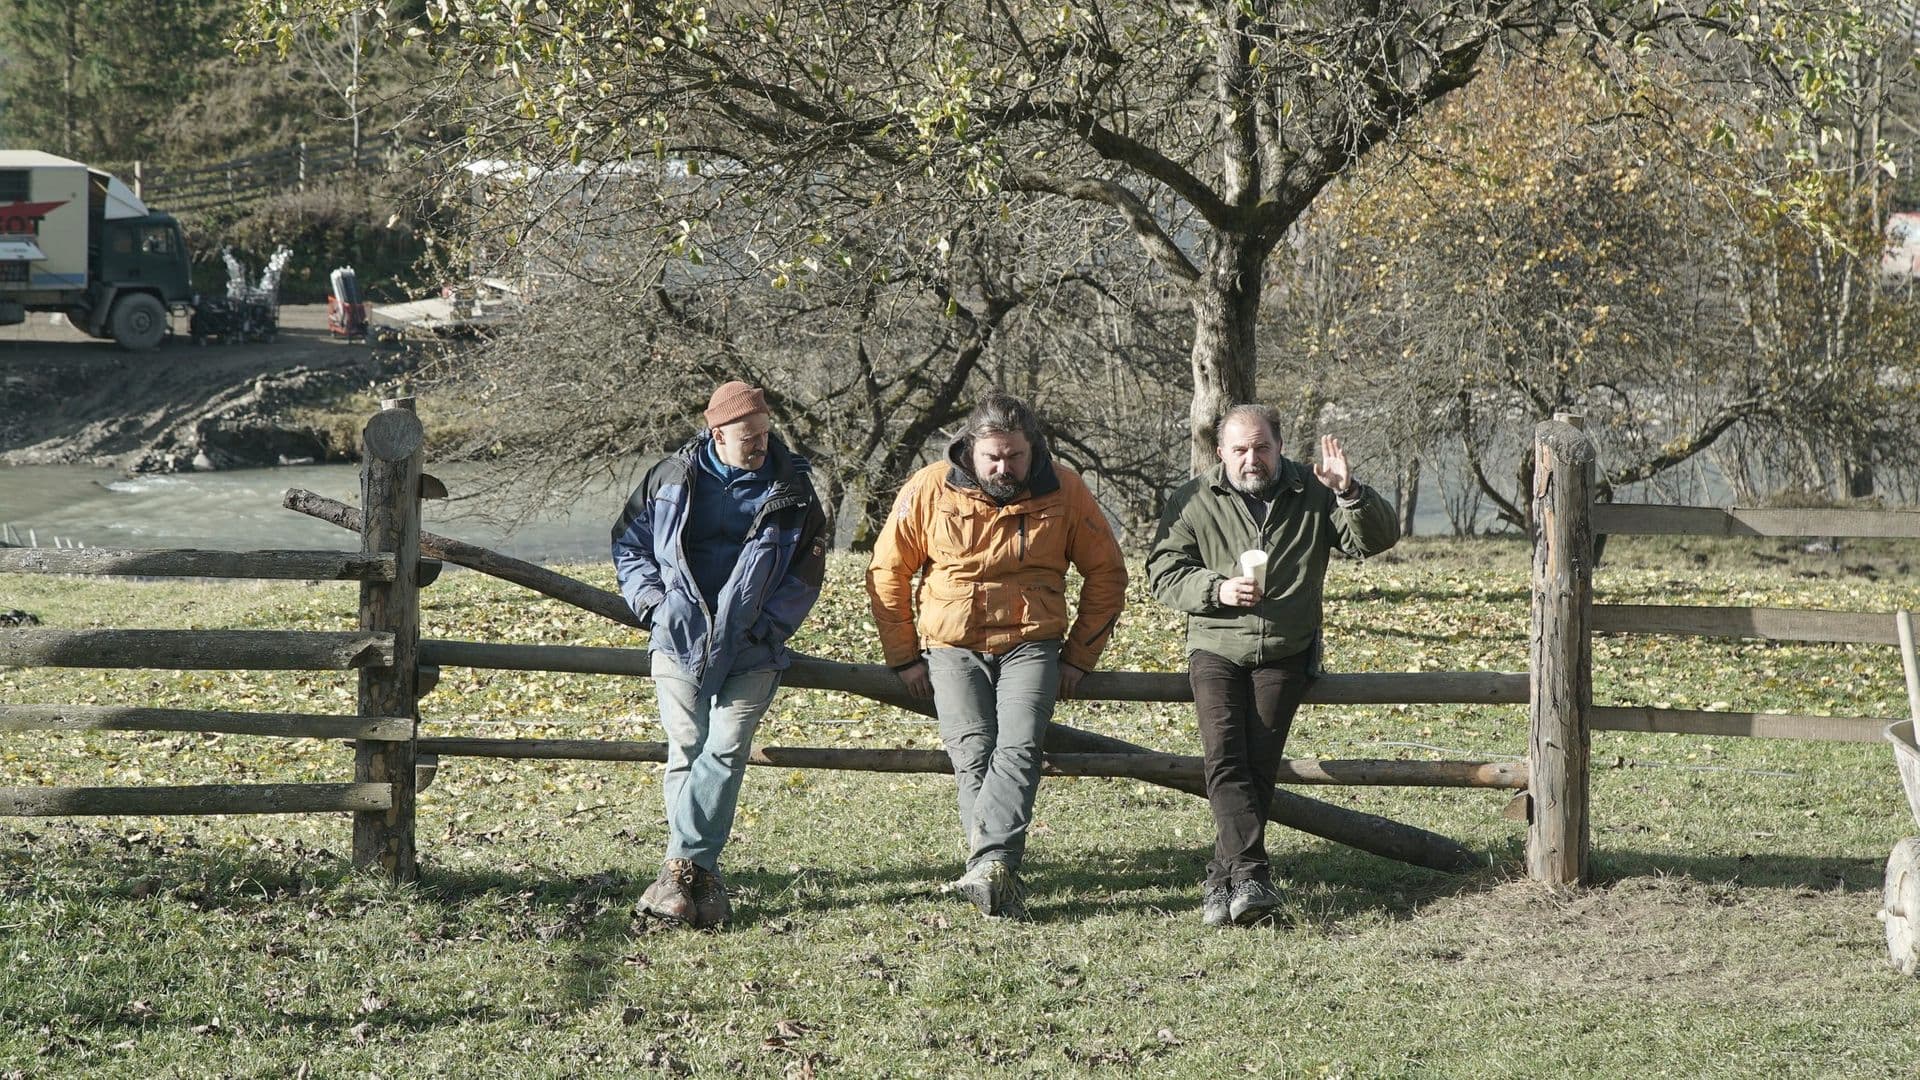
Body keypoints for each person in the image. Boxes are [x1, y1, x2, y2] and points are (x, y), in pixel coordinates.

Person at [867, 391, 1128, 920]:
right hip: (951, 642)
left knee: (1020, 746)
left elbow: (1107, 573)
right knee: (972, 750)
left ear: (1033, 450)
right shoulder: (928, 488)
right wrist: (903, 656)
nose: (1004, 467)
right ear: (970, 450)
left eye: (1014, 456)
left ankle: (987, 866)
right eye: (993, 458)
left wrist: (1079, 657)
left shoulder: (1066, 489)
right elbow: (887, 570)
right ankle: (994, 871)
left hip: (1033, 640)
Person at [1146, 404, 1398, 927]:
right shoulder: (1194, 498)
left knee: (1256, 765)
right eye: (1239, 449)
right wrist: (1216, 589)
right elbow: (1163, 574)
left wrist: (1349, 493)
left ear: (1280, 446)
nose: (1251, 458)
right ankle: (1252, 874)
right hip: (1215, 645)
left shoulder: (1313, 489)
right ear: (1220, 454)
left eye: (1261, 447)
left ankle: (1222, 881)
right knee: (1224, 757)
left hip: (1285, 648)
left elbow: (1374, 540)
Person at [612, 380, 828, 929]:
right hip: (680, 636)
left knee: (726, 747)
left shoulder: (795, 490)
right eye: (746, 436)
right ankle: (696, 877)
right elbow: (629, 544)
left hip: (753, 646)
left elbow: (806, 573)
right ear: (716, 433)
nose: (759, 444)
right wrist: (654, 604)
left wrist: (770, 629)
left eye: (763, 432)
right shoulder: (670, 477)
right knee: (686, 747)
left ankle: (679, 871)